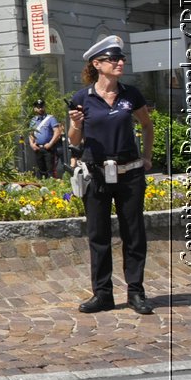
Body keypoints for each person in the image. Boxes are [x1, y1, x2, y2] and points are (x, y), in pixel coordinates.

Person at [67, 35, 155, 316]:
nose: (119, 63)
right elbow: (74, 141)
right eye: (112, 59)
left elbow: (146, 125)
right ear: (97, 64)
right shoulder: (82, 98)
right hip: (96, 175)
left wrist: (147, 157)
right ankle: (102, 294)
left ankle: (136, 292)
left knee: (134, 233)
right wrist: (75, 125)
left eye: (121, 58)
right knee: (99, 235)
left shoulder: (131, 94)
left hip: (129, 174)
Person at [28, 99, 63, 179]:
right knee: (41, 171)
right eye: (38, 107)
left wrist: (50, 144)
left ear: (44, 107)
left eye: (42, 107)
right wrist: (32, 144)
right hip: (37, 148)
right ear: (34, 108)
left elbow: (57, 132)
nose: (40, 109)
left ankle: (52, 189)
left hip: (48, 148)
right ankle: (42, 189)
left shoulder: (51, 118)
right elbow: (31, 133)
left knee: (50, 171)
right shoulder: (33, 120)